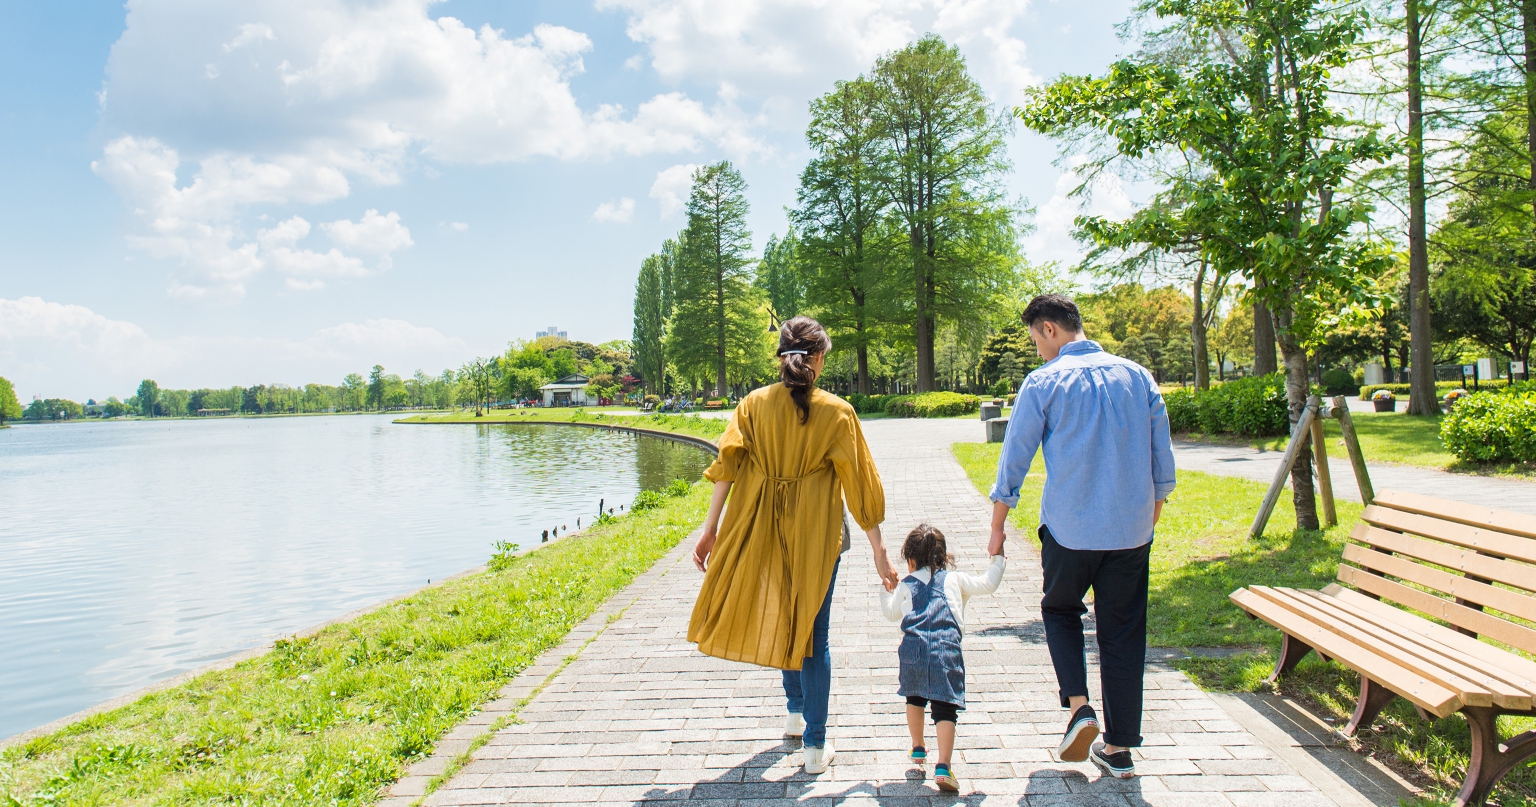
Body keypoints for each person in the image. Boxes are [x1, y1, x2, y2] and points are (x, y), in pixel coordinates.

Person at [688, 316, 899, 775]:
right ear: (819, 357)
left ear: (780, 357)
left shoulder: (752, 404)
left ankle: (796, 712)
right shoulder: (837, 412)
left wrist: (711, 528)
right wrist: (880, 552)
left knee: (786, 617)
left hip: (762, 524)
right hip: (819, 533)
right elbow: (861, 486)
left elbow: (726, 466)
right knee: (814, 634)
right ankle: (815, 747)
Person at [987, 294, 1176, 780]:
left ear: (1050, 328)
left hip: (1070, 532)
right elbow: (1163, 464)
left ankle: (1079, 708)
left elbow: (1015, 459)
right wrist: (1145, 521)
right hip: (1132, 532)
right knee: (1124, 631)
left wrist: (997, 527)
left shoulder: (1044, 382)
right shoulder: (1137, 376)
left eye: (1035, 341)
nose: (1037, 351)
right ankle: (1118, 749)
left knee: (1060, 610)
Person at [880, 524, 1005, 793]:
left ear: (910, 560)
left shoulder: (906, 584)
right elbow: (989, 583)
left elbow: (891, 613)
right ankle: (943, 766)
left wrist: (886, 589)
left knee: (914, 696)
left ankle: (917, 746)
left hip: (912, 649)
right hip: (945, 650)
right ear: (943, 557)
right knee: (944, 707)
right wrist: (999, 557)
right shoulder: (954, 579)